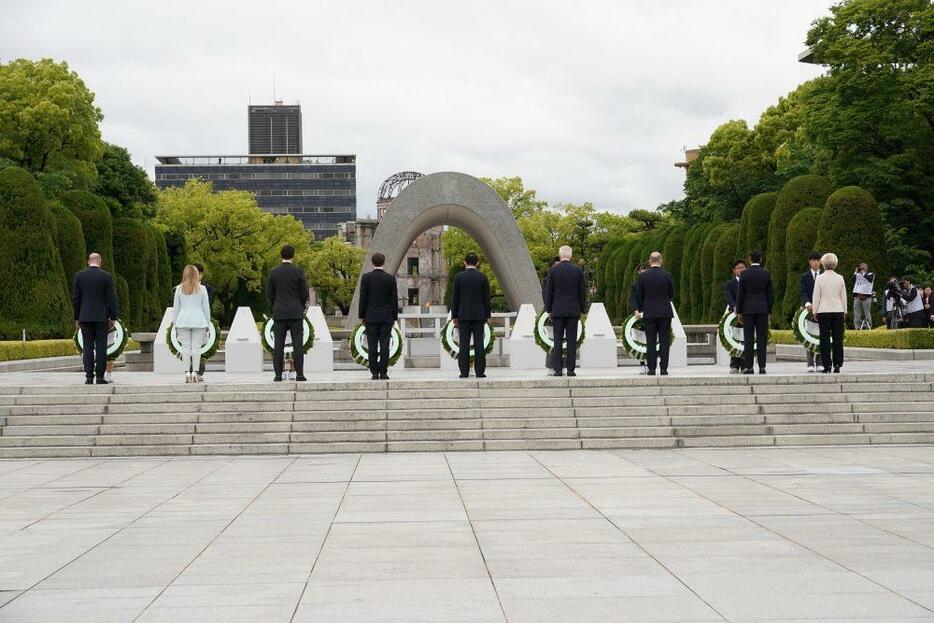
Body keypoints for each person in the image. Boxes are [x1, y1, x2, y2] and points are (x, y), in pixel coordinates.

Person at [71, 253, 119, 385]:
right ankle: (99, 377)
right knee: (101, 347)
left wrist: (77, 317)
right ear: (100, 262)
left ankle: (88, 376)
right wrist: (113, 317)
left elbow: (76, 298)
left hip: (85, 316)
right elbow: (111, 298)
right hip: (101, 317)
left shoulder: (79, 276)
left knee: (87, 347)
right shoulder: (106, 277)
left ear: (88, 262)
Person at [267, 245, 309, 382]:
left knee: (278, 344)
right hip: (295, 312)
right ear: (293, 255)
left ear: (281, 255)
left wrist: (275, 306)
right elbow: (304, 293)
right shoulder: (298, 272)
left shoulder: (273, 272)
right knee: (298, 344)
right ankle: (300, 374)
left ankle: (278, 375)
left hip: (279, 312)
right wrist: (300, 306)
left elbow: (270, 294)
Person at [544, 245, 587, 377]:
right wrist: (581, 309)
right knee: (571, 340)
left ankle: (557, 369)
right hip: (573, 309)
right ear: (571, 255)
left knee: (557, 339)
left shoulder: (553, 270)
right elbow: (582, 292)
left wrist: (549, 309)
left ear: (560, 254)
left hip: (557, 309)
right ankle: (570, 369)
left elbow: (549, 291)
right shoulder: (577, 271)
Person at [450, 252, 492, 378]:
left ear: (465, 262)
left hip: (463, 315)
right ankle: (480, 372)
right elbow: (486, 298)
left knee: (464, 344)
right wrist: (487, 315)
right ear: (477, 263)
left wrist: (454, 316)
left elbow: (455, 298)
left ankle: (464, 372)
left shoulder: (459, 277)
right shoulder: (483, 277)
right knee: (479, 344)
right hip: (479, 315)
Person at [358, 252, 398, 380]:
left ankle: (374, 372)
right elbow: (394, 300)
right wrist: (394, 316)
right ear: (383, 262)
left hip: (370, 316)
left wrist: (362, 315)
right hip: (386, 316)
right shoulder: (390, 278)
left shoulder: (366, 278)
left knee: (372, 344)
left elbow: (363, 298)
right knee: (385, 344)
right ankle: (384, 372)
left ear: (372, 263)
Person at [636, 251, 675, 376]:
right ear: (661, 261)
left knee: (650, 342)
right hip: (664, 311)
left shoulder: (643, 276)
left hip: (650, 312)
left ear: (650, 261)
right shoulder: (667, 275)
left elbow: (639, 295)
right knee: (664, 341)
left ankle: (651, 369)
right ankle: (664, 369)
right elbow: (671, 294)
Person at [172, 265, 212, 383]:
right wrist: (208, 324)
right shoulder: (202, 289)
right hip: (199, 321)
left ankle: (187, 372)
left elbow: (176, 308)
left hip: (183, 321)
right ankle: (195, 372)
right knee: (196, 348)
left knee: (185, 348)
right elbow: (206, 308)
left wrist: (175, 325)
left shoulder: (179, 289)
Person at [736, 250, 773, 375]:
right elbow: (770, 294)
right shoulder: (766, 274)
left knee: (748, 338)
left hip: (748, 309)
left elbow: (740, 294)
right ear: (761, 259)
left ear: (750, 259)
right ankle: (762, 366)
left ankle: (749, 367)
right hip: (763, 309)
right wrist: (769, 311)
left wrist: (739, 311)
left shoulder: (744, 274)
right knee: (762, 339)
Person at [812, 253, 848, 373]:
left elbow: (816, 296)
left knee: (825, 338)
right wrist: (844, 310)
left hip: (824, 311)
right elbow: (843, 296)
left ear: (823, 263)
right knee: (838, 338)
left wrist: (815, 311)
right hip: (838, 310)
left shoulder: (820, 278)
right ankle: (837, 363)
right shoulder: (840, 278)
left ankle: (826, 365)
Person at [799, 251, 823, 372]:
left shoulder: (824, 275)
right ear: (810, 262)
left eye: (818, 260)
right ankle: (809, 363)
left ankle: (820, 361)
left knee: (821, 336)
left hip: (822, 309)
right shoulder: (804, 276)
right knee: (809, 335)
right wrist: (808, 304)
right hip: (809, 310)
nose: (816, 263)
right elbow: (802, 292)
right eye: (813, 260)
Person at [723, 259, 746, 373]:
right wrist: (735, 307)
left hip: (746, 315)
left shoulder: (748, 282)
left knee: (745, 340)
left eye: (743, 267)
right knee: (735, 340)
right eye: (739, 268)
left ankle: (745, 365)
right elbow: (728, 297)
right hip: (734, 316)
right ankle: (735, 365)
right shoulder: (730, 284)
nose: (742, 270)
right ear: (734, 270)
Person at [193, 263, 214, 381]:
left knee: (200, 346)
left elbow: (208, 305)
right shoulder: (183, 287)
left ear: (201, 274)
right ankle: (190, 370)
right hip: (189, 322)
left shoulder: (207, 289)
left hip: (201, 321)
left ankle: (200, 371)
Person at [542, 256, 561, 370]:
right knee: (552, 340)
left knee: (563, 341)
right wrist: (549, 311)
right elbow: (545, 296)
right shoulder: (547, 280)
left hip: (563, 312)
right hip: (551, 315)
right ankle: (551, 366)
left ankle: (561, 366)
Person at [629, 264, 648, 374]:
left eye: (643, 269)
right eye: (640, 270)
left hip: (650, 313)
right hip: (639, 315)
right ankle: (642, 364)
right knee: (640, 341)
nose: (642, 271)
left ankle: (651, 363)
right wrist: (636, 310)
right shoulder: (634, 285)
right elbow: (633, 298)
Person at [852, 263, 875, 329]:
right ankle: (857, 327)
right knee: (857, 313)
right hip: (857, 296)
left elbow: (870, 279)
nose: (862, 268)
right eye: (860, 267)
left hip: (866, 297)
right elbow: (852, 280)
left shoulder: (871, 274)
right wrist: (855, 272)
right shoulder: (857, 274)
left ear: (867, 268)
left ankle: (869, 326)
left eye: (863, 267)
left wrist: (863, 272)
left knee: (867, 312)